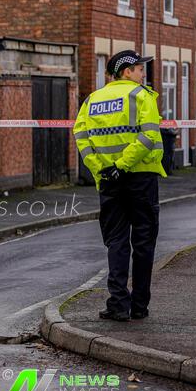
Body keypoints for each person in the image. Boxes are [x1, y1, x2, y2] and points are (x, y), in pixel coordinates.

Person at [73, 50, 167, 321]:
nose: (143, 73)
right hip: (140, 178)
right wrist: (122, 165)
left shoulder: (92, 99)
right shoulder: (141, 95)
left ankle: (117, 304)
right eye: (139, 69)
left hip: (108, 181)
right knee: (143, 242)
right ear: (127, 71)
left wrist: (100, 170)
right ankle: (138, 306)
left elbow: (81, 135)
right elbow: (149, 135)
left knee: (116, 241)